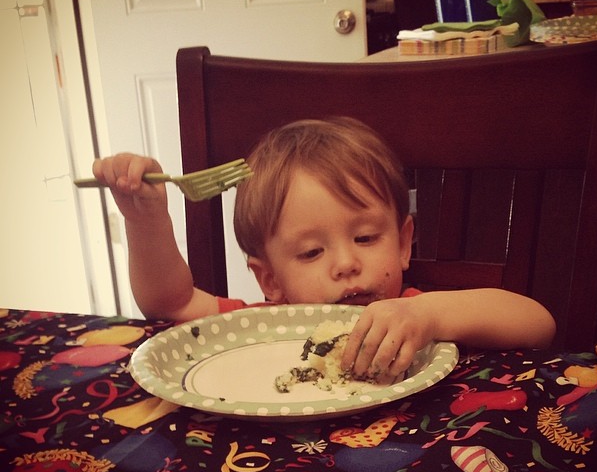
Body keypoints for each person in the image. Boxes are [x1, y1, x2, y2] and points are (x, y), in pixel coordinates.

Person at [92, 117, 556, 379]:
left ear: (403, 243)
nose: (348, 264)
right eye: (312, 252)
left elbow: (539, 325)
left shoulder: (410, 314)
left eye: (367, 238)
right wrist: (146, 218)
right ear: (270, 279)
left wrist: (429, 316)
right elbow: (169, 303)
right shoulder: (261, 326)